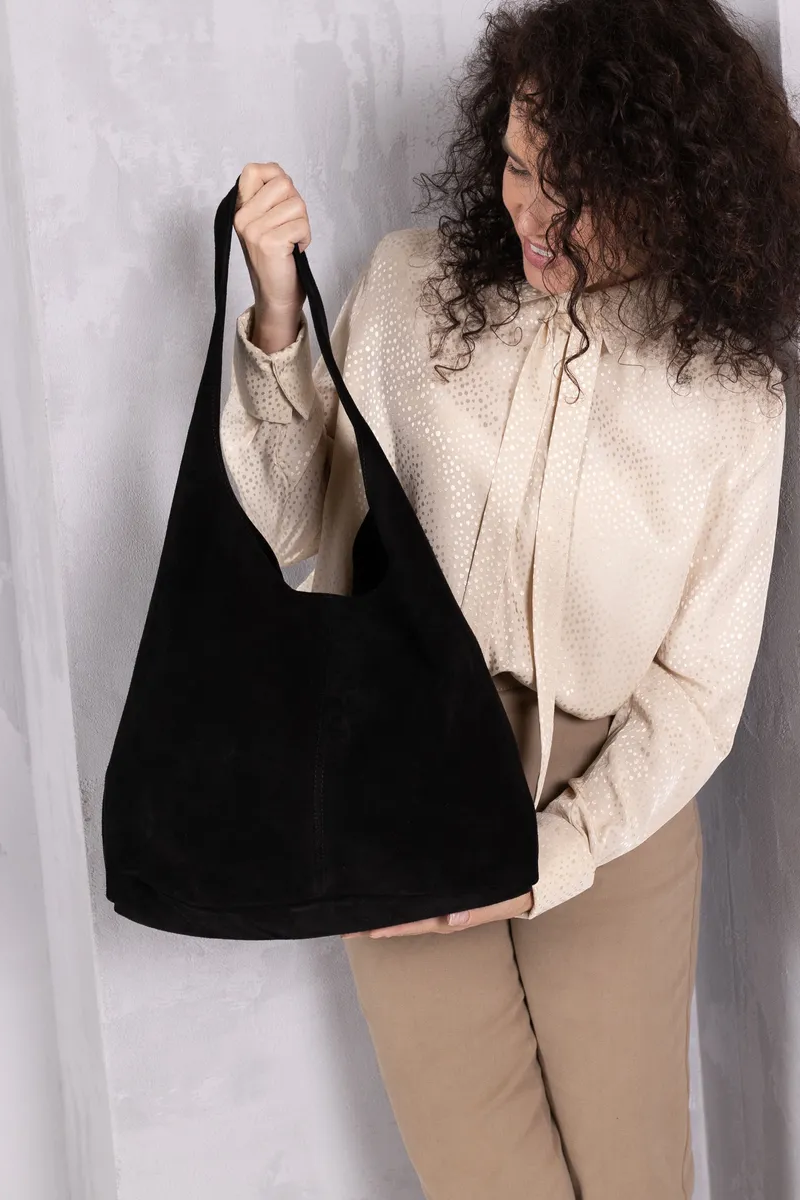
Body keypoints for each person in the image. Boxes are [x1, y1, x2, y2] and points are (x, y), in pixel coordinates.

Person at [221, 0, 800, 1194]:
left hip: (615, 798)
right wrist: (278, 317)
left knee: (637, 1179)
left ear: (672, 186)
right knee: (485, 1179)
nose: (534, 213)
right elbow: (299, 520)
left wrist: (558, 852)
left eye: (576, 191)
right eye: (520, 166)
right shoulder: (412, 287)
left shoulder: (733, 399)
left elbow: (699, 693)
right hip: (401, 777)